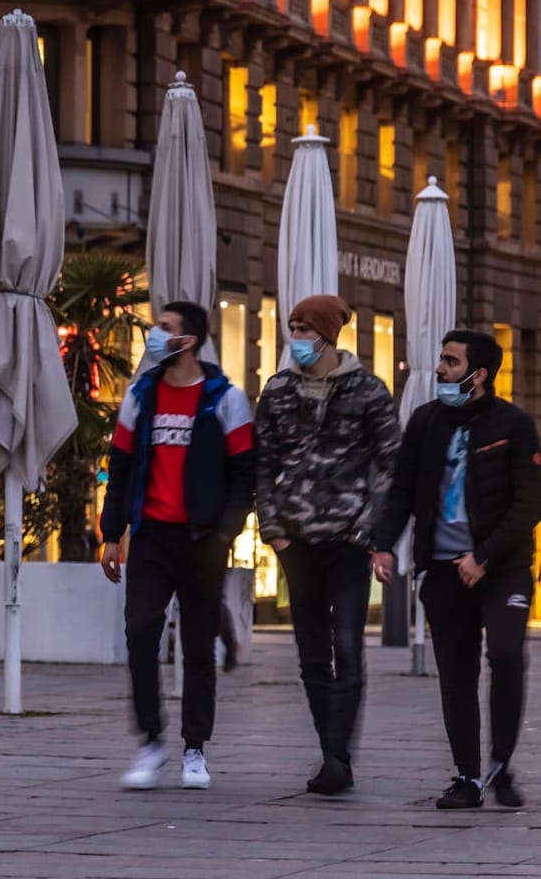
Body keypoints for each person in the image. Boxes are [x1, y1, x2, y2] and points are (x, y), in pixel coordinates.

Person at [370, 330, 541, 810]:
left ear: (478, 374)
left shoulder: (514, 424)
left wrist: (483, 555)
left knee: (506, 655)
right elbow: (401, 488)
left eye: (449, 361)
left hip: (501, 568)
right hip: (443, 571)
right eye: (441, 360)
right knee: (456, 674)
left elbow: (530, 501)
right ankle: (467, 777)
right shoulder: (426, 422)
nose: (439, 369)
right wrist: (384, 545)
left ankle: (501, 765)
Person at [100, 301, 255, 791]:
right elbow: (120, 468)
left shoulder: (224, 398)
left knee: (197, 647)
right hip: (150, 538)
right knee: (141, 633)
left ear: (186, 341)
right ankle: (150, 741)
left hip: (202, 539)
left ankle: (194, 749)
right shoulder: (140, 396)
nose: (153, 334)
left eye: (163, 328)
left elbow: (245, 473)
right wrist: (110, 533)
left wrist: (226, 530)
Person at [254, 295, 401, 795]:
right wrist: (272, 528)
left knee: (347, 648)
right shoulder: (276, 391)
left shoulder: (367, 391)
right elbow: (261, 463)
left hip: (348, 541)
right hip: (296, 542)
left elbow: (391, 463)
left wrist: (370, 529)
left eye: (301, 327)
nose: (293, 336)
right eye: (290, 327)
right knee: (312, 653)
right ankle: (331, 754)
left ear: (325, 334)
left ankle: (338, 758)